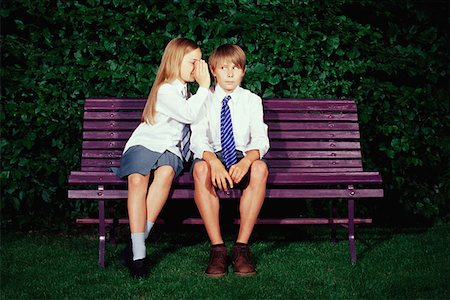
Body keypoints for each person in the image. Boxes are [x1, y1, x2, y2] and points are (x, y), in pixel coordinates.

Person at [112, 37, 211, 278]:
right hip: (146, 142)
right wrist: (205, 86)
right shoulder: (166, 89)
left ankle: (135, 244)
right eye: (193, 62)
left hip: (171, 149)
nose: (198, 68)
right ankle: (139, 255)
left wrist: (202, 90)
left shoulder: (188, 92)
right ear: (176, 62)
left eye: (200, 62)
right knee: (137, 179)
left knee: (165, 173)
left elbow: (195, 118)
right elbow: (188, 114)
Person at [190, 44, 269, 277]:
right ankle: (218, 249)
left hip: (241, 155)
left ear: (243, 71)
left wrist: (247, 161)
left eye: (236, 68)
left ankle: (241, 248)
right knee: (200, 170)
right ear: (213, 70)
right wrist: (213, 162)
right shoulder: (204, 98)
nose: (230, 74)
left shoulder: (252, 100)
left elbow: (261, 139)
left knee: (260, 168)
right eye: (224, 68)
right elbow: (197, 138)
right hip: (213, 155)